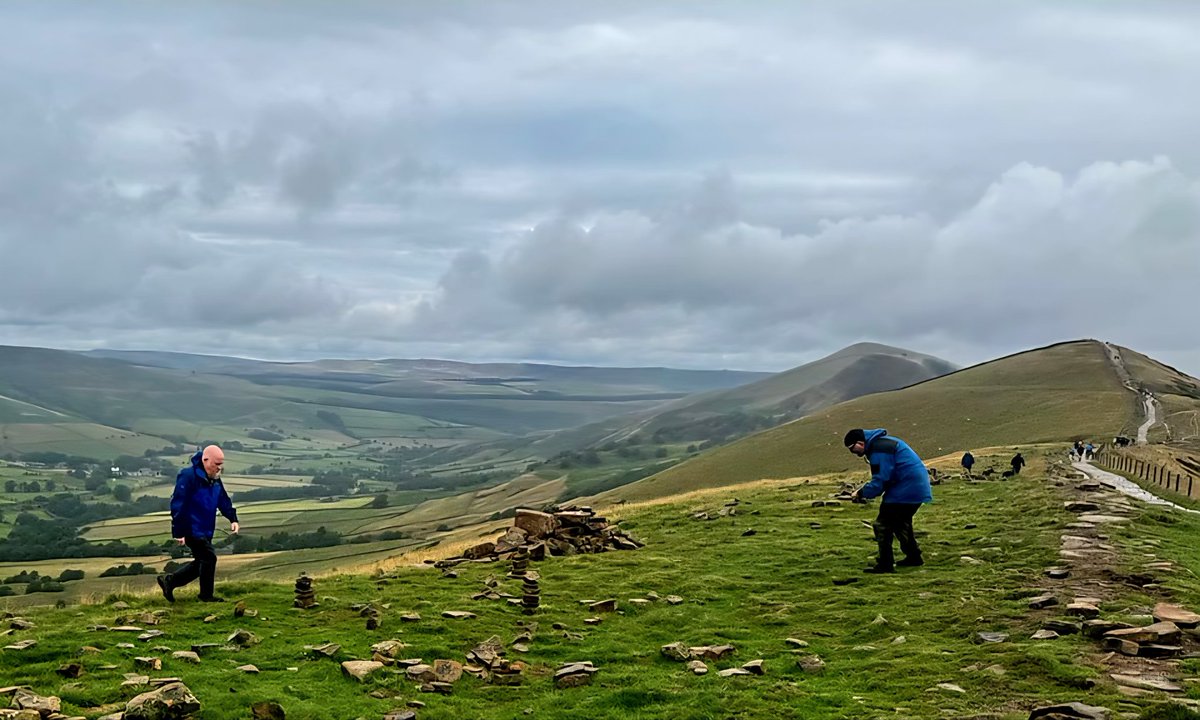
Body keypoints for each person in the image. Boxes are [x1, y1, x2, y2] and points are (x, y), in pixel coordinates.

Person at [157, 445, 239, 603]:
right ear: (205, 460)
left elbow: (222, 499)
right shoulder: (188, 476)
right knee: (209, 558)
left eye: (221, 464)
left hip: (207, 528)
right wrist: (179, 532)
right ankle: (206, 596)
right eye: (216, 464)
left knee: (202, 561)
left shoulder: (215, 478)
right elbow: (178, 504)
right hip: (191, 527)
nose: (219, 468)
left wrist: (233, 518)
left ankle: (170, 581)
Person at [845, 428, 933, 574]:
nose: (853, 453)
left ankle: (885, 564)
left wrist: (861, 493)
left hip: (904, 489)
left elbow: (881, 479)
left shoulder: (879, 449)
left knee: (882, 525)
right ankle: (914, 557)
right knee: (901, 523)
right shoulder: (885, 443)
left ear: (860, 443)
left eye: (852, 449)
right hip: (916, 487)